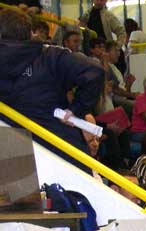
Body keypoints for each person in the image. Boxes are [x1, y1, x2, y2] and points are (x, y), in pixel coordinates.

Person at [0, 9, 104, 156]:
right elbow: (94, 71)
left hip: (12, 151)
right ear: (30, 32)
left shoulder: (50, 56)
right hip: (57, 145)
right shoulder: (51, 56)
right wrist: (76, 109)